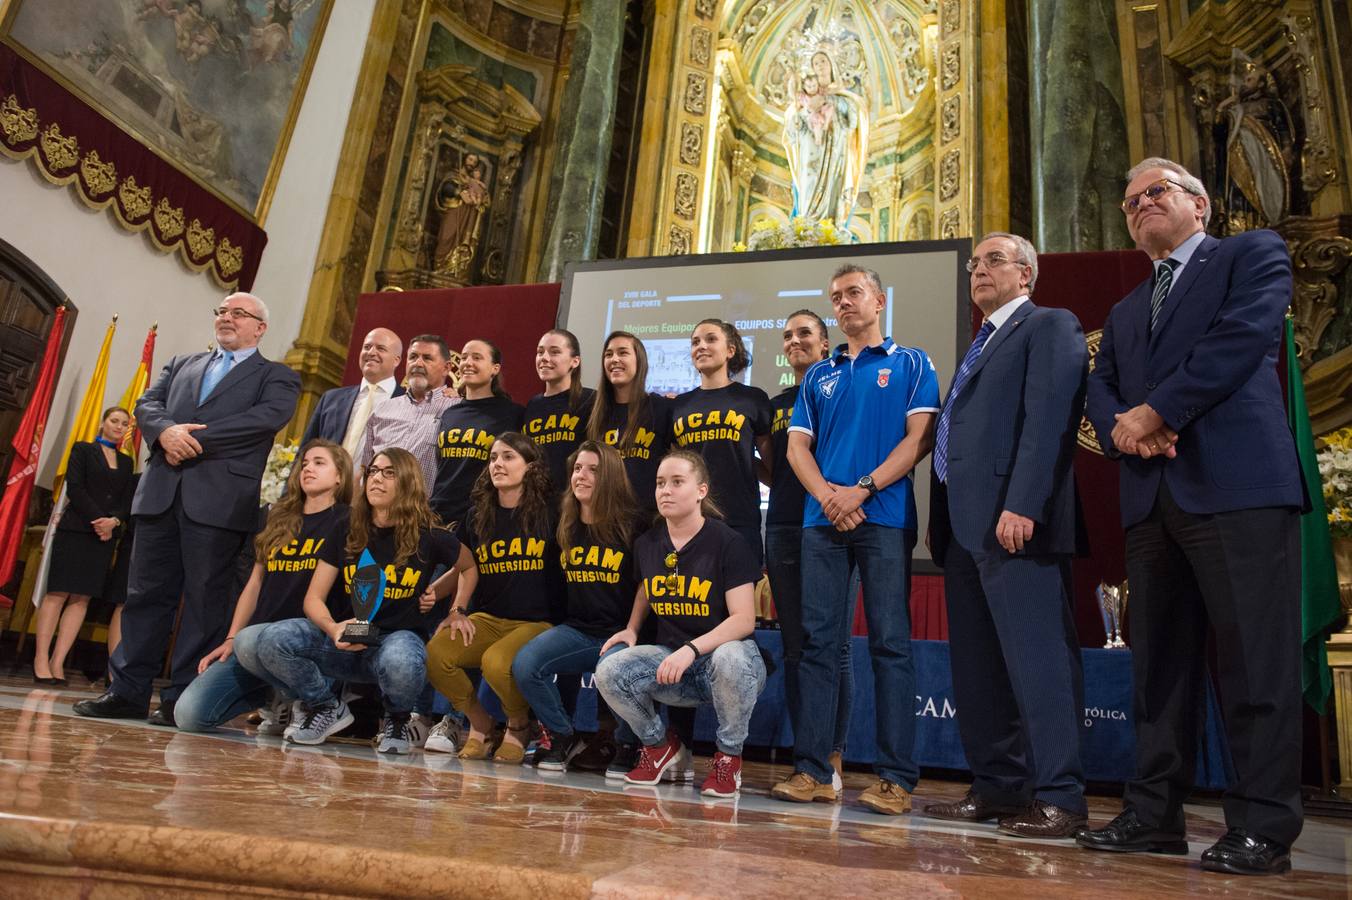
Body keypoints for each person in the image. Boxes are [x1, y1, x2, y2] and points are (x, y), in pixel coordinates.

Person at [1080, 157, 1305, 875]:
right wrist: (1125, 426)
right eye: (1129, 200)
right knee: (1159, 672)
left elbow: (1238, 343)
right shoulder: (1122, 309)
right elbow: (1101, 386)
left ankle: (1262, 827)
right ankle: (1153, 815)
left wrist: (1155, 412)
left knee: (1253, 665)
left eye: (1157, 192)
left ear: (1199, 205)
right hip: (1152, 499)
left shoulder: (1251, 255)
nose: (1141, 203)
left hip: (1237, 486)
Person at [924, 233, 1090, 837]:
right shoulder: (980, 344)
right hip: (965, 530)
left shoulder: (1049, 325)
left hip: (1015, 523)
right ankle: (997, 786)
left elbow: (1050, 420)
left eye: (993, 260)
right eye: (974, 264)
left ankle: (1061, 797)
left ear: (1027, 274)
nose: (978, 271)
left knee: (1038, 661)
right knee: (980, 668)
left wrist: (1024, 504)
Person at [74, 292, 301, 725]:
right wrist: (164, 434)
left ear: (260, 328)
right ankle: (126, 691)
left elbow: (265, 419)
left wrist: (188, 439)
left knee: (203, 603)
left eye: (239, 313)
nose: (227, 318)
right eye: (222, 311)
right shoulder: (181, 363)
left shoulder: (276, 376)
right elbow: (146, 405)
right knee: (143, 597)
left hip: (218, 503)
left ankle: (180, 698)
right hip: (161, 494)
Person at [769, 264, 939, 814]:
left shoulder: (911, 362)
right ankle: (814, 771)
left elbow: (919, 439)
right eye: (836, 297)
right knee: (819, 645)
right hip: (823, 523)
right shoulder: (819, 375)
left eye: (854, 293)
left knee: (890, 645)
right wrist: (828, 497)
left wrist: (860, 490)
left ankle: (895, 779)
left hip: (884, 519)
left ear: (880, 300)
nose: (843, 303)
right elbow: (797, 448)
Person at [255, 448, 477, 752]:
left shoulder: (429, 535)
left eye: (389, 473)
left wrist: (455, 608)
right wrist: (333, 629)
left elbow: (468, 566)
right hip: (344, 640)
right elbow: (313, 599)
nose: (377, 479)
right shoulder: (345, 527)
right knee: (272, 638)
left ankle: (397, 720)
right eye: (373, 471)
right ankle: (324, 706)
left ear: (408, 481)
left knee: (403, 659)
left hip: (393, 642)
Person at [595, 450, 766, 799]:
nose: (665, 491)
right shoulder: (647, 543)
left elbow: (744, 620)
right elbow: (647, 587)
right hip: (674, 667)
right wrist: (631, 627)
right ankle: (658, 747)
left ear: (701, 490)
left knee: (731, 656)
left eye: (677, 482)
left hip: (725, 666)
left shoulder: (728, 542)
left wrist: (691, 649)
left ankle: (729, 758)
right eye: (660, 483)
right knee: (610, 669)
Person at [175, 439, 353, 733]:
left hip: (308, 642)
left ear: (340, 476)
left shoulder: (347, 520)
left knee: (257, 639)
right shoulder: (278, 516)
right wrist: (231, 639)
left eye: (319, 463)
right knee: (190, 716)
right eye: (304, 463)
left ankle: (311, 700)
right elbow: (255, 583)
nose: (307, 468)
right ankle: (274, 695)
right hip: (255, 643)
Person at [424, 433, 562, 763]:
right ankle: (481, 723)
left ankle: (517, 726)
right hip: (487, 618)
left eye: (508, 457)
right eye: (493, 458)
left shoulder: (553, 511)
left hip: (536, 622)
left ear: (531, 467)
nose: (497, 463)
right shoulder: (477, 515)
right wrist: (434, 596)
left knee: (497, 662)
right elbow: (463, 567)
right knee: (436, 653)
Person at [512, 441, 641, 770]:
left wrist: (635, 631)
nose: (581, 476)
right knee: (526, 664)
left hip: (621, 636)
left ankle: (628, 744)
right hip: (578, 632)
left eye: (593, 470)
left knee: (615, 670)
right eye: (578, 469)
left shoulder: (634, 526)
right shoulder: (565, 525)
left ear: (610, 477)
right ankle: (561, 735)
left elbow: (646, 586)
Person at [766, 312, 851, 795]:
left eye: (804, 334)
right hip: (781, 525)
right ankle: (808, 755)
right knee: (797, 648)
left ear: (825, 345)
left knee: (833, 645)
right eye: (788, 335)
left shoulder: (840, 388)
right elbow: (776, 467)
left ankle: (831, 755)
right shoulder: (778, 403)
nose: (794, 340)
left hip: (831, 523)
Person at [33, 407, 134, 685]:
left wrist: (113, 521)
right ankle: (41, 658)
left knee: (82, 599)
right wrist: (98, 519)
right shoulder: (82, 450)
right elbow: (75, 488)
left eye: (124, 423)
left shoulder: (127, 463)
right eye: (114, 421)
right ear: (103, 423)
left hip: (103, 538)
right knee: (58, 593)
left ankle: (58, 661)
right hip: (76, 529)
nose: (119, 426)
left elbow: (125, 501)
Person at [670, 319, 774, 565]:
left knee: (740, 602)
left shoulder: (752, 398)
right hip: (690, 520)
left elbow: (770, 466)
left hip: (739, 520)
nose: (701, 346)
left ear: (730, 350)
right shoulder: (678, 405)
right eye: (695, 342)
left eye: (710, 339)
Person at [430, 339, 525, 527]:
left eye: (477, 357)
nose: (467, 363)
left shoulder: (513, 413)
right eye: (464, 357)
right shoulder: (450, 413)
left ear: (495, 369)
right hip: (437, 516)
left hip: (479, 518)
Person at [587, 331, 673, 519]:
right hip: (605, 519)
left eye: (623, 353)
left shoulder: (661, 408)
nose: (614, 359)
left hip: (649, 520)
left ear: (639, 361)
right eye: (608, 354)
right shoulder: (594, 413)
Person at [360, 334, 459, 497]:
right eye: (413, 357)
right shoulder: (383, 409)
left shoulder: (456, 409)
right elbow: (366, 468)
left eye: (427, 358)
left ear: (447, 368)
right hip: (376, 515)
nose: (418, 363)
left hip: (424, 516)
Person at [302, 327, 404, 459]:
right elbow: (306, 449)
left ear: (396, 360)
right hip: (328, 478)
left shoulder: (408, 403)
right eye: (367, 347)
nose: (371, 352)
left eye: (381, 348)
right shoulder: (331, 399)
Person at [524, 329, 596, 493]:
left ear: (575, 361)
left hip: (574, 499)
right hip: (537, 501)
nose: (545, 358)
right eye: (540, 352)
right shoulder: (532, 405)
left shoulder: (591, 400)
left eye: (554, 352)